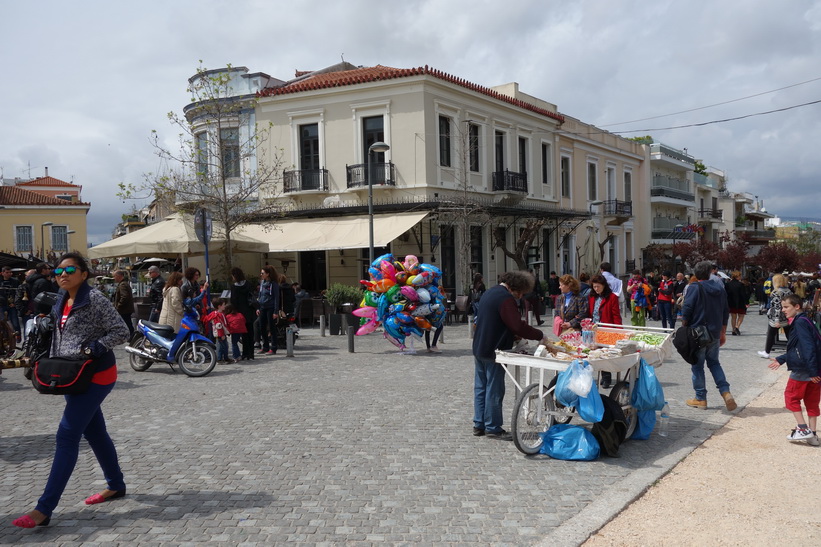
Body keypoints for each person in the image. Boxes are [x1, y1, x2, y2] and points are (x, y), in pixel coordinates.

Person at [12, 252, 130, 529]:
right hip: (70, 374)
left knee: (67, 435)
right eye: (57, 271)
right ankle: (116, 485)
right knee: (95, 432)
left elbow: (121, 331)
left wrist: (93, 348)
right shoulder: (61, 300)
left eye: (69, 269)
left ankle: (44, 508)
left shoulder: (95, 299)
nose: (62, 275)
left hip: (97, 374)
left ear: (84, 273)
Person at [472, 270, 549, 440]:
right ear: (516, 288)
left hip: (480, 346)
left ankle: (479, 424)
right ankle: (493, 427)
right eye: (521, 293)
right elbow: (516, 325)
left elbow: (496, 321)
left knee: (481, 387)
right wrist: (539, 335)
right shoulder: (505, 299)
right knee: (494, 389)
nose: (521, 296)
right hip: (494, 349)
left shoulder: (490, 292)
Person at [681, 261, 736, 411]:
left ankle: (700, 398)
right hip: (715, 331)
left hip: (698, 332)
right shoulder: (719, 288)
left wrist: (684, 324)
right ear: (710, 273)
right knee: (714, 363)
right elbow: (725, 310)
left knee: (697, 366)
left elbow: (687, 308)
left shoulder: (694, 287)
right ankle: (726, 392)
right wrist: (723, 331)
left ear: (696, 274)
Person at [767, 294, 821, 445]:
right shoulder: (806, 320)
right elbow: (799, 347)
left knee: (791, 397)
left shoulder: (799, 323)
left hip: (805, 368)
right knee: (812, 401)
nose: (783, 310)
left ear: (796, 307)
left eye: (786, 307)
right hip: (814, 368)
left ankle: (803, 428)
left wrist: (812, 372)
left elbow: (808, 346)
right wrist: (781, 358)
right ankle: (813, 435)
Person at [588, 274, 622, 388]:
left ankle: (607, 378)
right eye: (594, 286)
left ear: (603, 285)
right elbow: (591, 313)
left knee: (605, 354)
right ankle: (603, 375)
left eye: (598, 286)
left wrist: (619, 331)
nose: (596, 289)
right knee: (596, 354)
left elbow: (616, 315)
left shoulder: (611, 297)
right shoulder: (592, 297)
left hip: (607, 330)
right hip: (594, 329)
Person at [758, 274, 793, 359]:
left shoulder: (776, 292)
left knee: (771, 334)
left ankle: (767, 352)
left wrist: (777, 320)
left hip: (776, 316)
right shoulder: (788, 291)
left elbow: (777, 306)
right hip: (786, 315)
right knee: (789, 335)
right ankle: (793, 350)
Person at [229, 267, 255, 361]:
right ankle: (251, 354)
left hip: (240, 313)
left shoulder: (234, 287)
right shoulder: (248, 284)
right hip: (249, 311)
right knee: (250, 333)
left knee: (244, 334)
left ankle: (245, 353)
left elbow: (233, 301)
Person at [257, 265, 280, 355]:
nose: (261, 274)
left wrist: (276, 311)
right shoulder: (262, 283)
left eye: (262, 273)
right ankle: (265, 347)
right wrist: (258, 307)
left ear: (268, 274)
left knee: (271, 328)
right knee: (262, 327)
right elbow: (260, 295)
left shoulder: (273, 284)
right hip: (262, 307)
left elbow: (276, 297)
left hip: (270, 307)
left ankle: (273, 348)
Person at [203, 298, 232, 363]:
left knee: (224, 345)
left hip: (221, 333)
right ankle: (220, 359)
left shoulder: (218, 313)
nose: (224, 306)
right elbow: (218, 326)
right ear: (219, 306)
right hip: (220, 333)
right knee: (221, 346)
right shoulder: (217, 315)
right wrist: (221, 334)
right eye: (223, 305)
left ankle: (225, 358)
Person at [112, 270, 135, 337]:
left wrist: (118, 306)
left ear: (119, 276)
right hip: (125, 309)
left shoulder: (123, 284)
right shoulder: (123, 283)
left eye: (115, 276)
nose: (114, 278)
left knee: (127, 323)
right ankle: (130, 336)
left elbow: (124, 297)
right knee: (127, 323)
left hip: (124, 310)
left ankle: (132, 337)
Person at [0, 265, 21, 337]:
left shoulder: (15, 281)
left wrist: (15, 303)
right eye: (7, 272)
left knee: (15, 322)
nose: (9, 274)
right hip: (2, 305)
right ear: (2, 273)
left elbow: (19, 293)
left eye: (10, 272)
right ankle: (5, 337)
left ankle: (18, 336)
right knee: (3, 322)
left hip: (12, 304)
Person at [725, 270, 748, 336]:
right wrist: (746, 302)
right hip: (740, 302)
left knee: (733, 317)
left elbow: (726, 294)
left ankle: (733, 329)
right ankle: (737, 327)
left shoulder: (728, 284)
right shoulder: (741, 285)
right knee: (741, 315)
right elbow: (743, 294)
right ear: (737, 276)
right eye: (740, 276)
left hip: (731, 302)